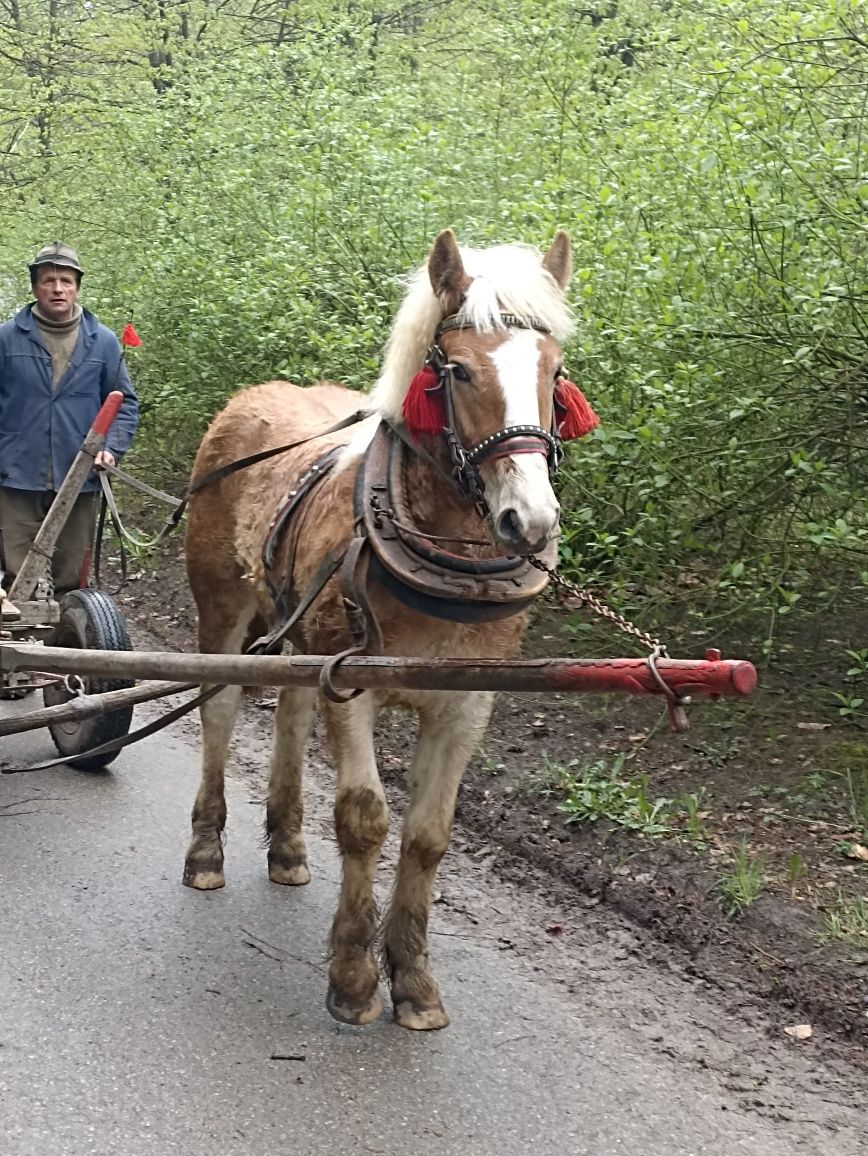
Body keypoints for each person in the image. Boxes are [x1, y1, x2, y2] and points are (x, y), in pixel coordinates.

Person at [0, 241, 139, 595]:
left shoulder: (104, 342)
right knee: (18, 575)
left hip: (79, 477)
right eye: (49, 280)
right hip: (15, 476)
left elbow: (124, 404)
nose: (58, 288)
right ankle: (20, 646)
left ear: (77, 287)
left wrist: (111, 448)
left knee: (70, 578)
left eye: (66, 280)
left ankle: (63, 644)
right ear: (35, 287)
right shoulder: (6, 338)